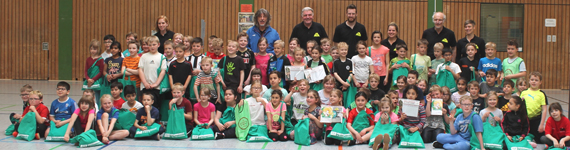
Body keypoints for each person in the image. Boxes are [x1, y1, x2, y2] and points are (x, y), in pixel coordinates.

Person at [138, 36, 168, 110]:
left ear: (158, 44)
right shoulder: (144, 56)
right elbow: (140, 70)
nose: (152, 47)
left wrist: (156, 84)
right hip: (145, 86)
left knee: (156, 107)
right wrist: (145, 83)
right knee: (146, 106)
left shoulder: (162, 57)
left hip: (157, 88)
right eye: (150, 45)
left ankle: (156, 121)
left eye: (154, 44)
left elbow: (163, 71)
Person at [521, 71, 549, 143]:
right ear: (529, 81)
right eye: (532, 80)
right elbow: (519, 107)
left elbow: (544, 110)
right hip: (525, 120)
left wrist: (542, 124)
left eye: (536, 80)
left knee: (539, 140)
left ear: (540, 82)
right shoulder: (524, 92)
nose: (534, 82)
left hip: (536, 121)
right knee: (525, 138)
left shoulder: (541, 94)